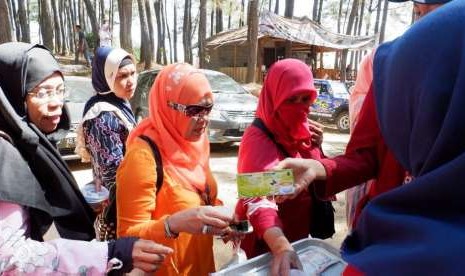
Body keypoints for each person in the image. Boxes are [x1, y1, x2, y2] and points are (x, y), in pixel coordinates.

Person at [278, 1, 464, 274]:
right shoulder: (396, 65)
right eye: (292, 99)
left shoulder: (410, 62)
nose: (304, 107)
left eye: (308, 99)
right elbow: (252, 192)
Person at [0, 42, 173, 274]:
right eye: (42, 92)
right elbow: (10, 258)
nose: (56, 102)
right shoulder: (4, 156)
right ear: (12, 95)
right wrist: (108, 254)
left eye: (60, 90)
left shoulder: (32, 145)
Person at [116, 63, 237, 275]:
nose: (204, 119)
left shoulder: (195, 144)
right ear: (167, 106)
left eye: (208, 108)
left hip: (202, 266)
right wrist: (172, 225)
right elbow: (127, 236)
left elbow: (200, 196)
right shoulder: (142, 157)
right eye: (193, 110)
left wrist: (221, 219)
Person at [344, 0, 452, 229]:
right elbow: (366, 152)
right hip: (386, 220)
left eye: (438, 10)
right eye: (418, 12)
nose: (424, 21)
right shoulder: (388, 63)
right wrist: (321, 169)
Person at [234, 59, 329, 276]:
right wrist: (280, 246)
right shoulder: (257, 138)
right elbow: (258, 198)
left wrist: (316, 148)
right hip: (268, 244)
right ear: (274, 97)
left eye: (305, 99)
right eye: (290, 100)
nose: (299, 107)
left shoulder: (303, 128)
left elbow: (312, 173)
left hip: (298, 236)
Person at [75, 46, 137, 241]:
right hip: (118, 207)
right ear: (106, 78)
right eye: (122, 76)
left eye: (133, 73)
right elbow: (113, 171)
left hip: (125, 199)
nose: (131, 81)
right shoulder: (103, 115)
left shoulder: (119, 104)